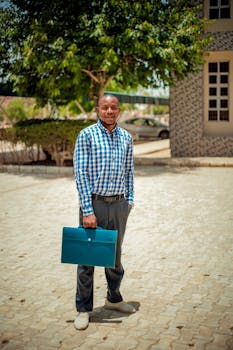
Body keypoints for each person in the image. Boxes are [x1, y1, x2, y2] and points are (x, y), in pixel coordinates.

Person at [73, 94, 135, 330]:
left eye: (113, 107)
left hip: (119, 205)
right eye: (105, 107)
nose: (109, 111)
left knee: (114, 256)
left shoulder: (126, 138)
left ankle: (114, 297)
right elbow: (81, 174)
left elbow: (129, 172)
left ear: (119, 110)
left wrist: (129, 202)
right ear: (98, 109)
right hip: (95, 204)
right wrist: (88, 210)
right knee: (87, 259)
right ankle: (83, 309)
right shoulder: (87, 135)